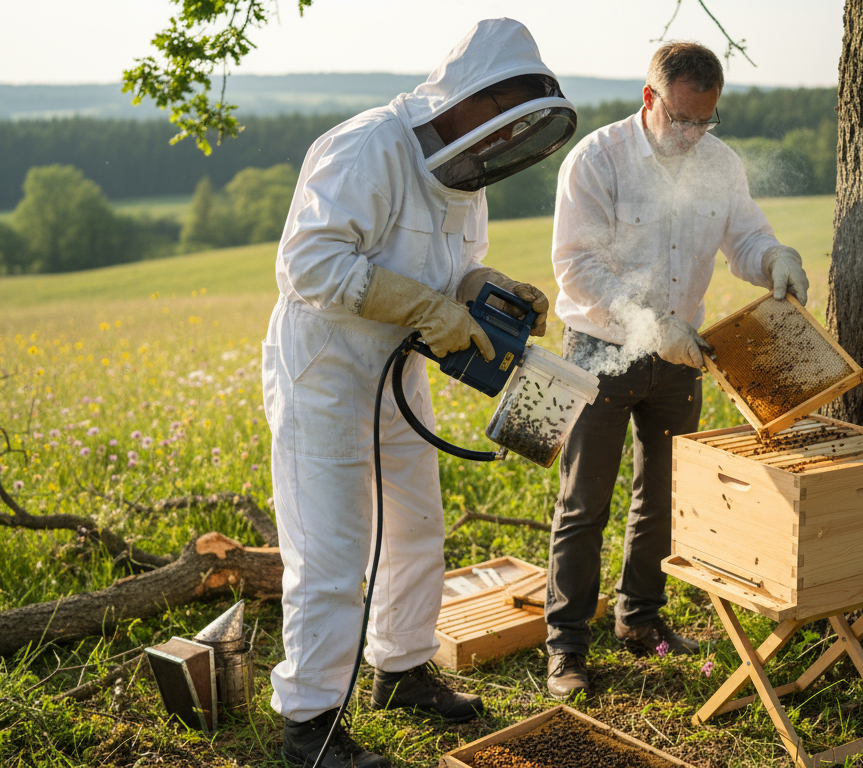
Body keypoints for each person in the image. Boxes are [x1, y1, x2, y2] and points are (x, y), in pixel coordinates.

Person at [261, 19, 576, 767]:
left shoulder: (463, 172)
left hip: (396, 370)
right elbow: (308, 267)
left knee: (416, 530)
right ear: (464, 100)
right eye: (494, 129)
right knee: (332, 552)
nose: (496, 151)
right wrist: (429, 310)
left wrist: (484, 288)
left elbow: (454, 269)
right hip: (326, 376)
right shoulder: (366, 146)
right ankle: (309, 725)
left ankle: (399, 669)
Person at [544, 42, 809, 700]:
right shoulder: (597, 159)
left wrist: (774, 257)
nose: (693, 136)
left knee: (661, 497)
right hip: (602, 350)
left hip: (680, 357)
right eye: (682, 120)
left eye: (705, 121)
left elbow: (743, 236)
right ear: (649, 100)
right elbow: (578, 264)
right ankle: (567, 646)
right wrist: (647, 324)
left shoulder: (718, 164)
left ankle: (640, 618)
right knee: (585, 505)